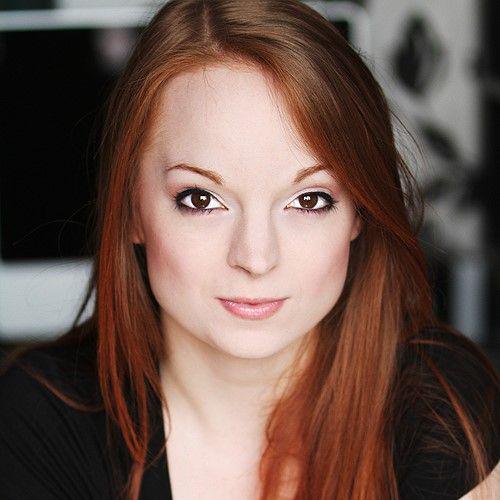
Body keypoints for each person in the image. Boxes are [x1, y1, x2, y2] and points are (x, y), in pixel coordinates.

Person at [0, 0, 499, 498]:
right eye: (201, 199)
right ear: (131, 209)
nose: (257, 258)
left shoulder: (442, 402)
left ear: (358, 213)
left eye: (309, 200)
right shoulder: (36, 421)